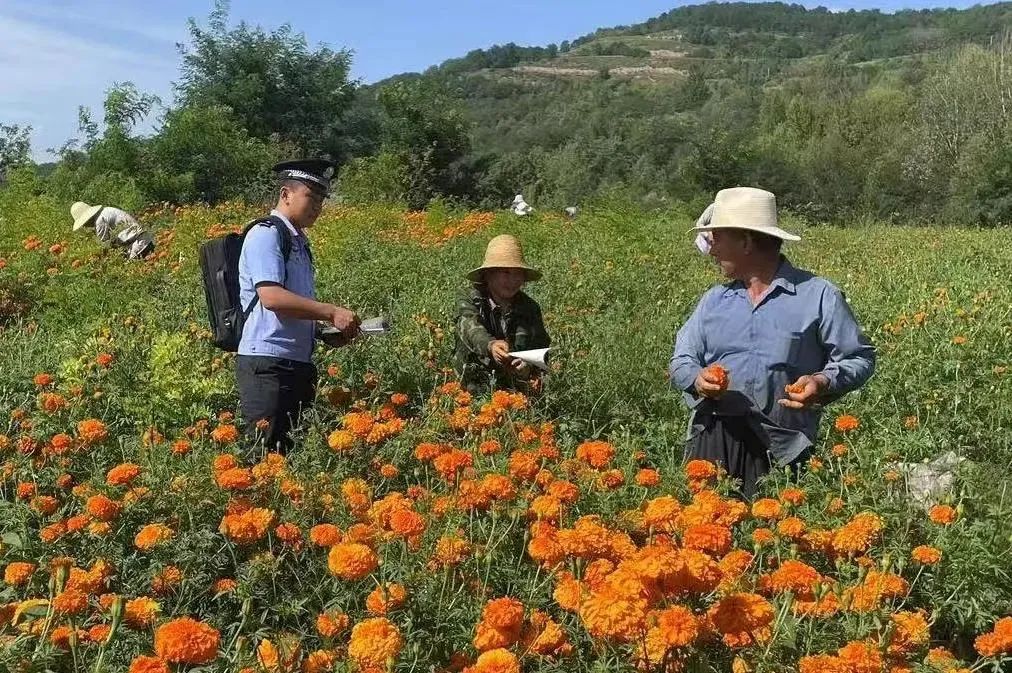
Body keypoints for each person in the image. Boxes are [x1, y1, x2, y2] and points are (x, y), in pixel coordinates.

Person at [669, 187, 875, 499]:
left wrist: (821, 381)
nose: (712, 250)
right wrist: (696, 379)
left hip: (782, 448)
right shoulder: (714, 301)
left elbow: (858, 358)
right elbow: (682, 360)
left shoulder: (818, 296)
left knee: (773, 542)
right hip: (713, 439)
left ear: (747, 241)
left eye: (718, 238)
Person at [235, 159, 360, 456]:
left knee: (289, 455)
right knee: (262, 456)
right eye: (311, 197)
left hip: (296, 364)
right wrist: (331, 311)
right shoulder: (266, 234)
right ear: (286, 194)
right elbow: (272, 298)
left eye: (321, 200)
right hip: (268, 364)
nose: (317, 206)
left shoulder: (298, 242)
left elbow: (292, 309)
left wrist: (321, 332)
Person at [454, 234, 550, 394]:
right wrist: (490, 345)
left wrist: (528, 365)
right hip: (473, 386)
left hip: (516, 393)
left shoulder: (530, 308)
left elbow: (542, 349)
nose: (513, 280)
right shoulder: (469, 299)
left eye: (518, 273)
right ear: (488, 274)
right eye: (505, 273)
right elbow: (471, 328)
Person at [70, 202, 155, 259]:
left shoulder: (100, 221)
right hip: (144, 240)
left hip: (139, 246)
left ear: (87, 219)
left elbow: (105, 247)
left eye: (84, 223)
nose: (85, 226)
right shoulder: (106, 211)